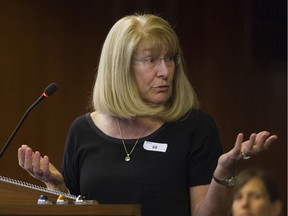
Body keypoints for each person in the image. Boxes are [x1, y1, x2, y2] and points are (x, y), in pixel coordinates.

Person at [18, 13, 278, 216]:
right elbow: (76, 208)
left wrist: (223, 173)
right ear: (120, 68)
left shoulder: (195, 127)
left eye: (171, 58)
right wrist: (56, 187)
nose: (165, 71)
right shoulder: (82, 131)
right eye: (150, 60)